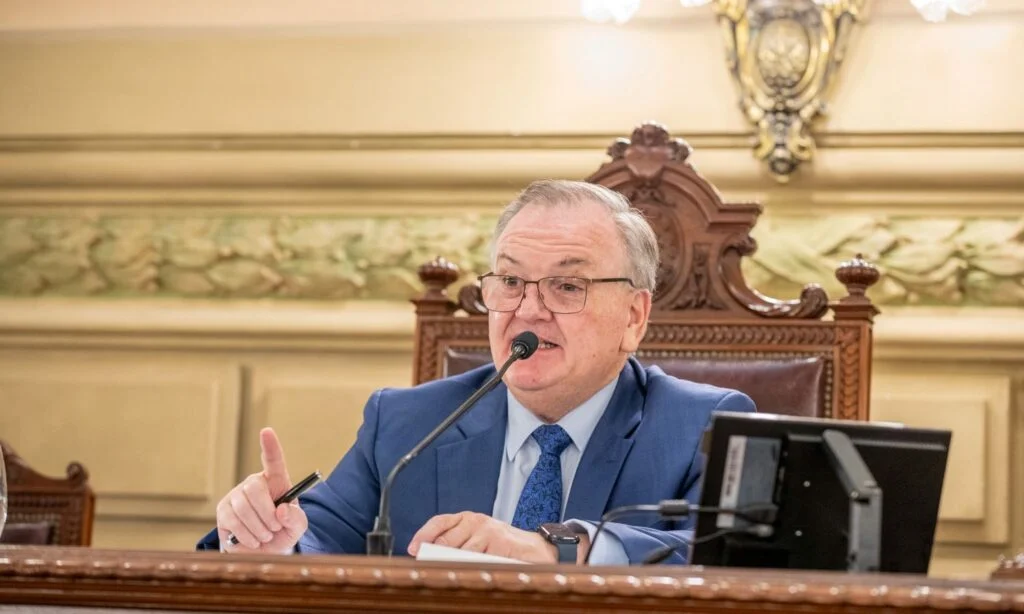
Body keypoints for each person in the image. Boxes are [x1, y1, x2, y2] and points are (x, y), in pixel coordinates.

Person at [197, 179, 756, 564]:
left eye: (566, 285)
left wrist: (557, 550)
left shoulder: (702, 424)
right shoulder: (408, 423)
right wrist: (271, 544)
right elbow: (320, 539)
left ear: (633, 316)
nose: (527, 310)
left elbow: (736, 557)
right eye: (510, 282)